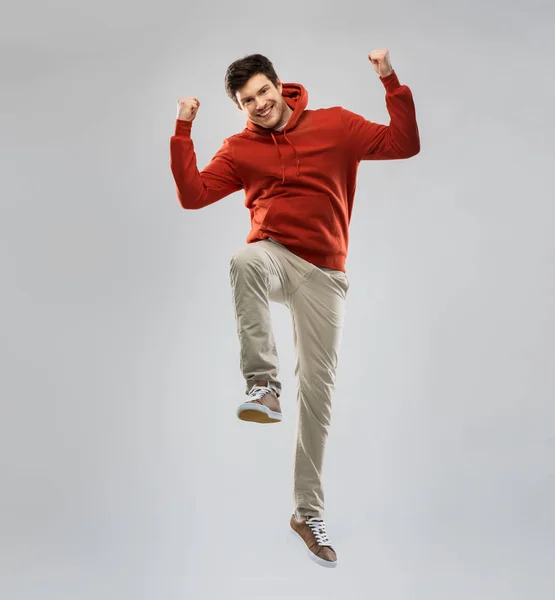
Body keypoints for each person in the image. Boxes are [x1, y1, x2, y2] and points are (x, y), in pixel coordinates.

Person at [170, 50, 420, 568]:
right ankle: (262, 384)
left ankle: (306, 513)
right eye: (247, 101)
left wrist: (389, 79)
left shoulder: (336, 126)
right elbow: (193, 196)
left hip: (326, 273)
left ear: (279, 86)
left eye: (263, 93)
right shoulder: (240, 149)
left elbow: (405, 144)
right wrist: (183, 128)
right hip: (276, 256)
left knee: (318, 394)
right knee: (244, 260)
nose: (259, 105)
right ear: (239, 107)